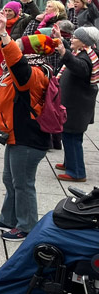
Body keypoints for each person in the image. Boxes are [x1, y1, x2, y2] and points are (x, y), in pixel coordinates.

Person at [0, 11, 56, 241]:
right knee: (10, 179)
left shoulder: (33, 74)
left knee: (23, 184)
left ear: (29, 53)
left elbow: (17, 63)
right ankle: (9, 218)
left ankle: (27, 226)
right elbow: (13, 61)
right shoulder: (30, 69)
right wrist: (0, 35)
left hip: (28, 138)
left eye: (19, 46)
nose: (14, 47)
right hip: (16, 135)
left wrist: (4, 34)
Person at [55, 26, 99, 183]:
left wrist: (63, 53)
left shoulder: (86, 58)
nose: (71, 39)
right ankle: (69, 163)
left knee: (72, 137)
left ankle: (77, 172)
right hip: (75, 105)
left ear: (84, 42)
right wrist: (61, 39)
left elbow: (77, 66)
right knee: (68, 135)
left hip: (76, 107)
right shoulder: (83, 52)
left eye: (75, 37)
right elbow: (71, 55)